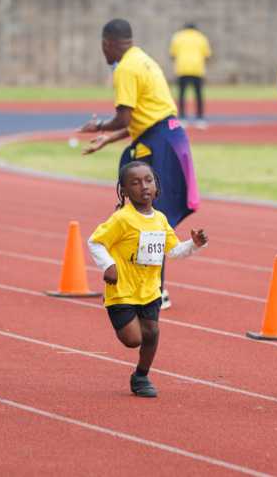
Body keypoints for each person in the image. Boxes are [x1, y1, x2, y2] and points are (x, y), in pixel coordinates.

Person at [79, 18, 200, 310]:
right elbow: (144, 119)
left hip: (159, 143)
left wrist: (99, 126)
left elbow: (124, 118)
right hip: (168, 137)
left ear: (107, 44)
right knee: (145, 212)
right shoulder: (144, 60)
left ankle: (156, 291)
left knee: (150, 214)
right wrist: (109, 138)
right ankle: (145, 284)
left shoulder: (125, 68)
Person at [88, 161, 208, 398]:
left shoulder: (160, 219)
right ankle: (117, 312)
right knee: (133, 340)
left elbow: (173, 251)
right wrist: (108, 265)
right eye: (135, 183)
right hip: (122, 289)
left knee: (152, 333)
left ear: (156, 186)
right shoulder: (122, 219)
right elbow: (95, 242)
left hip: (150, 290)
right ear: (124, 191)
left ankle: (141, 376)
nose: (143, 186)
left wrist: (194, 244)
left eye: (148, 180)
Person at [169, 22, 212, 126]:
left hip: (182, 68)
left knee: (182, 94)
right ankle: (200, 118)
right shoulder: (201, 37)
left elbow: (172, 54)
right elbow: (207, 55)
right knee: (198, 94)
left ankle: (182, 117)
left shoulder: (178, 37)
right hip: (197, 69)